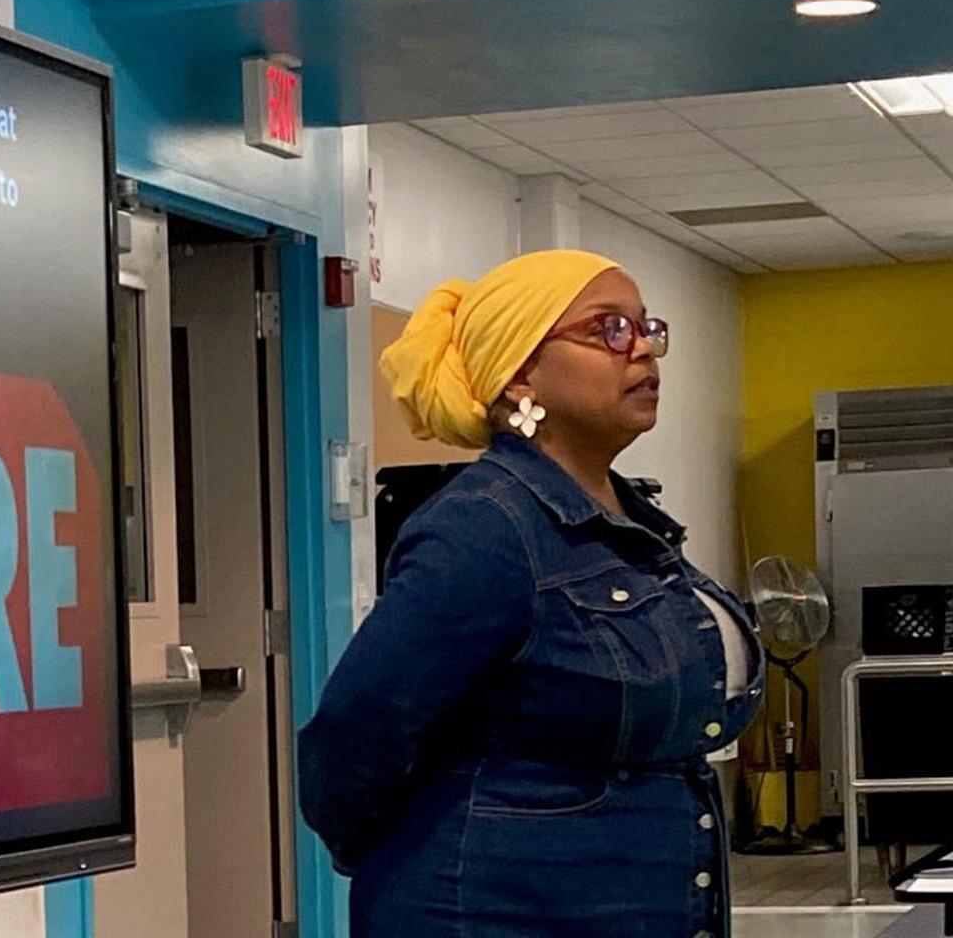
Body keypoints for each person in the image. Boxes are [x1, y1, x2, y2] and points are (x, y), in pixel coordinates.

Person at [298, 250, 763, 938]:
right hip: (491, 912)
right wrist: (412, 852)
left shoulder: (630, 525)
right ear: (519, 375)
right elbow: (354, 735)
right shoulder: (486, 526)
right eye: (608, 329)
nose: (642, 350)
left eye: (646, 328)